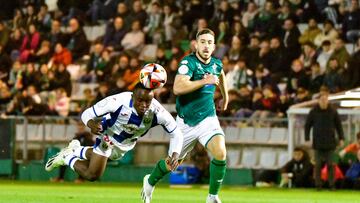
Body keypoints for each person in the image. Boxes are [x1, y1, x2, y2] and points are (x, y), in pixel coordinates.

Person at [142, 28, 229, 203]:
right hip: (186, 123)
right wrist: (205, 81)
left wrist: (225, 98)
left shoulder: (216, 63)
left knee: (220, 152)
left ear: (213, 47)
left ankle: (212, 196)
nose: (206, 46)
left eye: (209, 42)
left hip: (208, 118)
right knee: (171, 164)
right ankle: (149, 182)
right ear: (196, 45)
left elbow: (220, 75)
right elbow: (178, 88)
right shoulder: (187, 63)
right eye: (202, 42)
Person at [45, 83, 183, 183]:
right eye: (140, 101)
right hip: (107, 135)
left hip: (126, 144)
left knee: (103, 158)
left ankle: (75, 150)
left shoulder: (158, 112)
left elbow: (176, 133)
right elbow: (87, 113)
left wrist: (175, 154)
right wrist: (92, 125)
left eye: (148, 101)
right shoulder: (118, 101)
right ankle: (67, 157)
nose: (144, 105)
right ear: (133, 97)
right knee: (92, 175)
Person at [305, 86, 344, 190]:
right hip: (317, 143)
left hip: (330, 143)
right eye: (322, 99)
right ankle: (318, 185)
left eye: (325, 99)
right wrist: (307, 138)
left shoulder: (333, 111)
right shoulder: (313, 111)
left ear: (328, 100)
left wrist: (341, 138)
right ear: (318, 100)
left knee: (331, 165)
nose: (324, 101)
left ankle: (332, 185)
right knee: (317, 165)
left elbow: (338, 126)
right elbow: (307, 125)